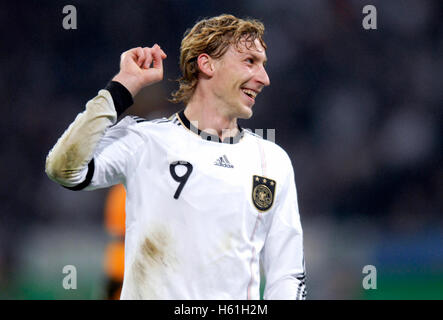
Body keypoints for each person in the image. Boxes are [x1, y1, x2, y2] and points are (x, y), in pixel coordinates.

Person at [45, 14, 306, 300]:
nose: (264, 78)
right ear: (207, 64)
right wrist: (121, 87)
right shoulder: (144, 141)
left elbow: (287, 274)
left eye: (263, 65)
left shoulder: (273, 160)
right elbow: (63, 169)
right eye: (250, 62)